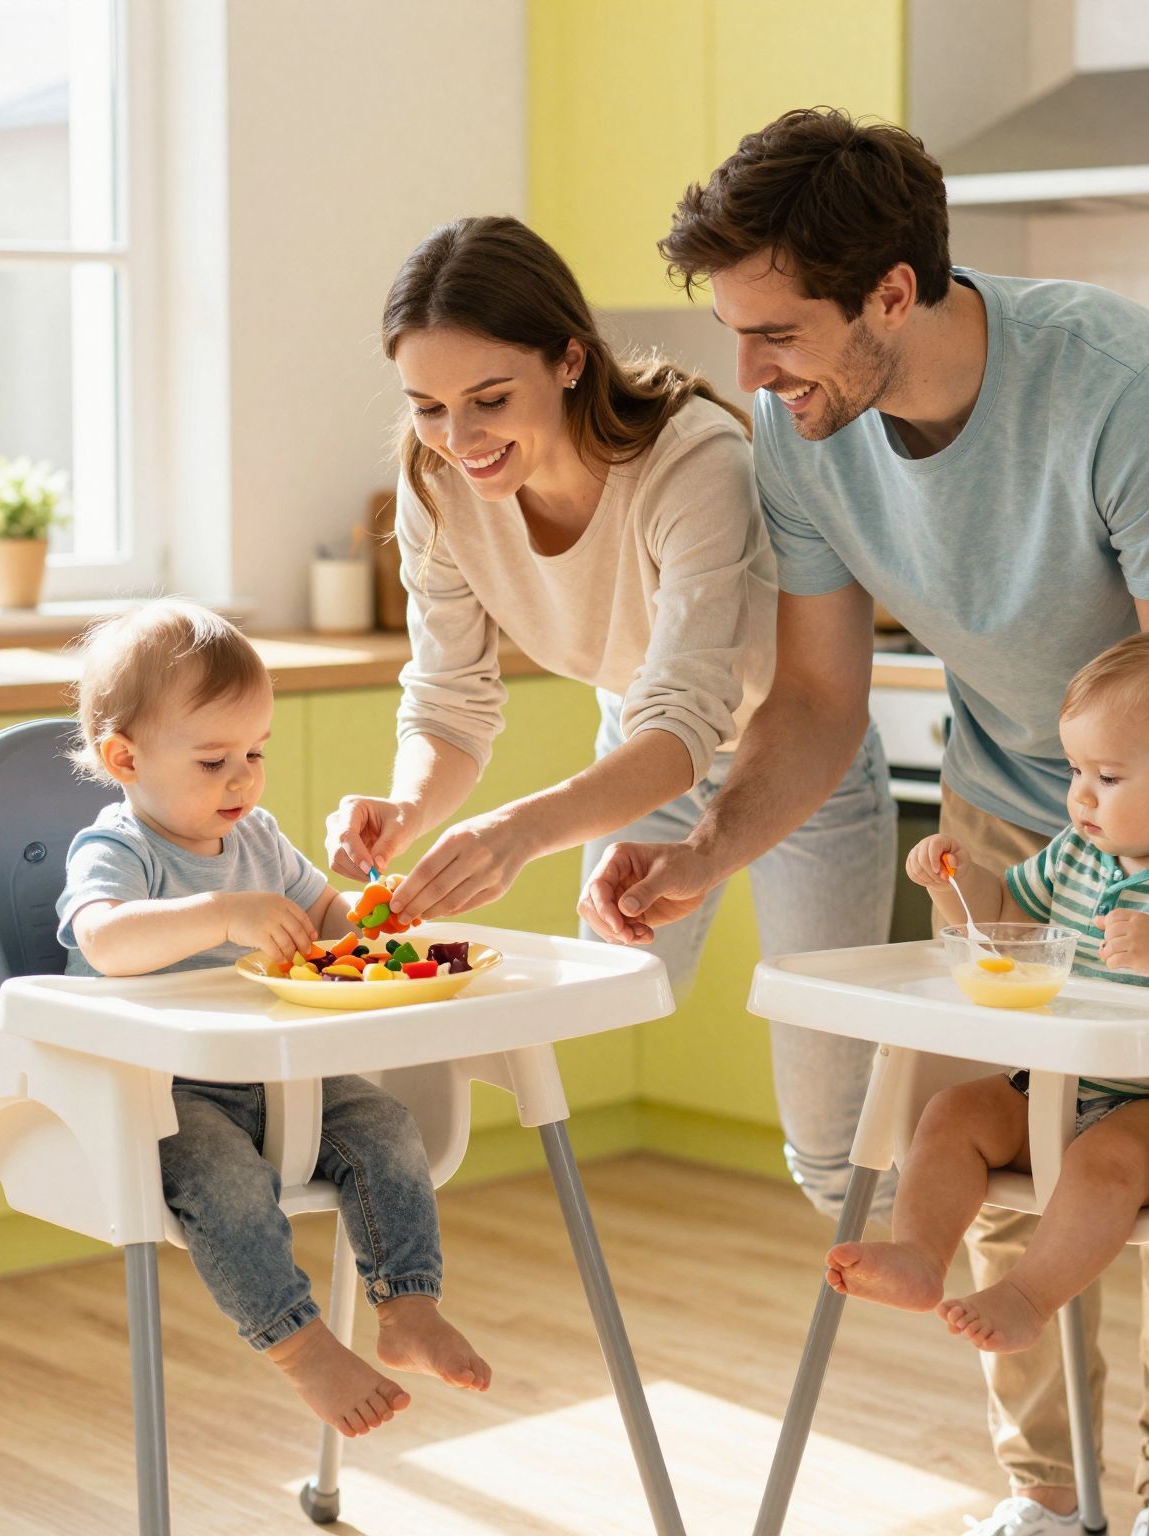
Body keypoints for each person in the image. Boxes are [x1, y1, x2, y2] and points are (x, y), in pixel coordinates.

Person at [581, 110, 1149, 1536]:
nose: (752, 374)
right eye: (736, 334)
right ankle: (1044, 1491)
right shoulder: (807, 433)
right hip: (1000, 804)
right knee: (997, 1154)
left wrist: (1134, 890)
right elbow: (817, 704)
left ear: (893, 294)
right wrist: (705, 849)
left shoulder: (1123, 386)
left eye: (778, 331)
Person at [323, 215, 897, 1214]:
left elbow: (685, 715)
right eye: (427, 407)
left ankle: (958, 1266)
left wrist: (520, 830)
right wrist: (409, 805)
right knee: (595, 1004)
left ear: (570, 361)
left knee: (834, 1150)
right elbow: (450, 700)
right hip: (635, 759)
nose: (459, 440)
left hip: (792, 764)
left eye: (488, 399)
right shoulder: (437, 489)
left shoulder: (691, 464)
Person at [55, 600, 489, 1441]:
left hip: (283, 1077)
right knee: (223, 1184)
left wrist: (372, 916)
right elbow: (104, 941)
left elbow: (324, 919)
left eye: (255, 753)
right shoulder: (116, 848)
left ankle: (409, 1306)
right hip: (162, 1095)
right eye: (215, 759)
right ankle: (301, 1348)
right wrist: (222, 915)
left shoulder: (258, 839)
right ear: (124, 757)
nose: (243, 779)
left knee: (388, 1128)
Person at [829, 632, 1149, 1363]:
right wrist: (957, 881)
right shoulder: (1079, 854)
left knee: (1103, 1161)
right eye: (1075, 769)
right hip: (1052, 1088)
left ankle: (1025, 1297)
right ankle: (919, 1253)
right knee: (951, 1113)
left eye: (1107, 776)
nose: (1080, 794)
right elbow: (1008, 925)